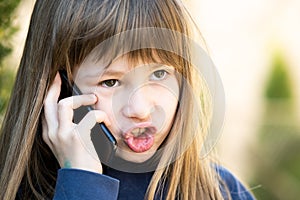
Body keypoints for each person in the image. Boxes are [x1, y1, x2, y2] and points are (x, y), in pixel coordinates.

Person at [0, 0, 255, 199]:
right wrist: (81, 183)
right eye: (110, 82)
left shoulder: (222, 191)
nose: (141, 110)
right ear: (61, 90)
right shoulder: (19, 190)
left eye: (160, 73)